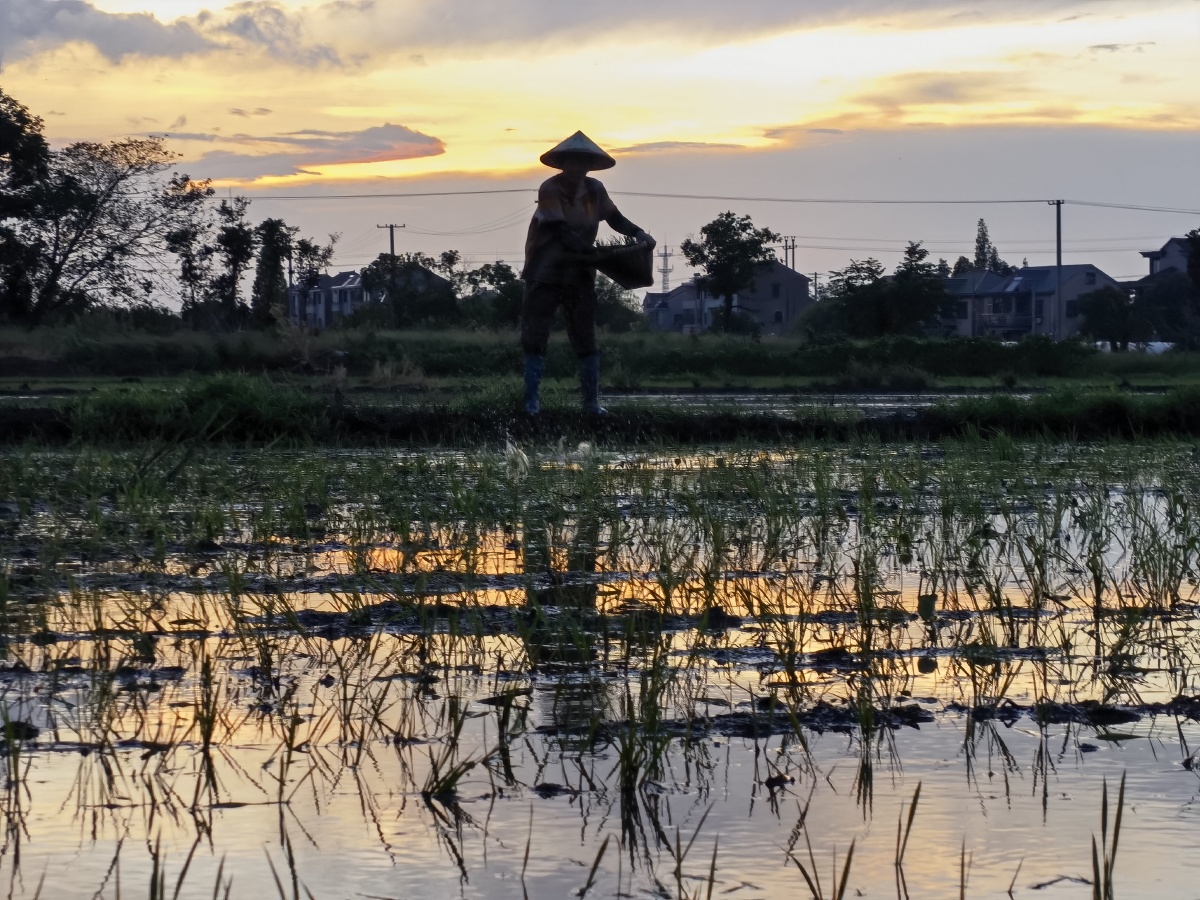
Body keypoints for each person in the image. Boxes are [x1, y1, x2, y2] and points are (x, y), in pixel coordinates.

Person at [521, 131, 654, 416]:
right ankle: (531, 401)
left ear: (590, 165)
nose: (577, 167)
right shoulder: (550, 189)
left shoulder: (595, 189)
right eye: (572, 161)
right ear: (563, 163)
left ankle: (591, 402)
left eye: (583, 162)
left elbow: (615, 218)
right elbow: (560, 230)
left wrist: (639, 233)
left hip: (580, 270)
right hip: (545, 268)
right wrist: (591, 253)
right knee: (536, 333)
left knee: (584, 333)